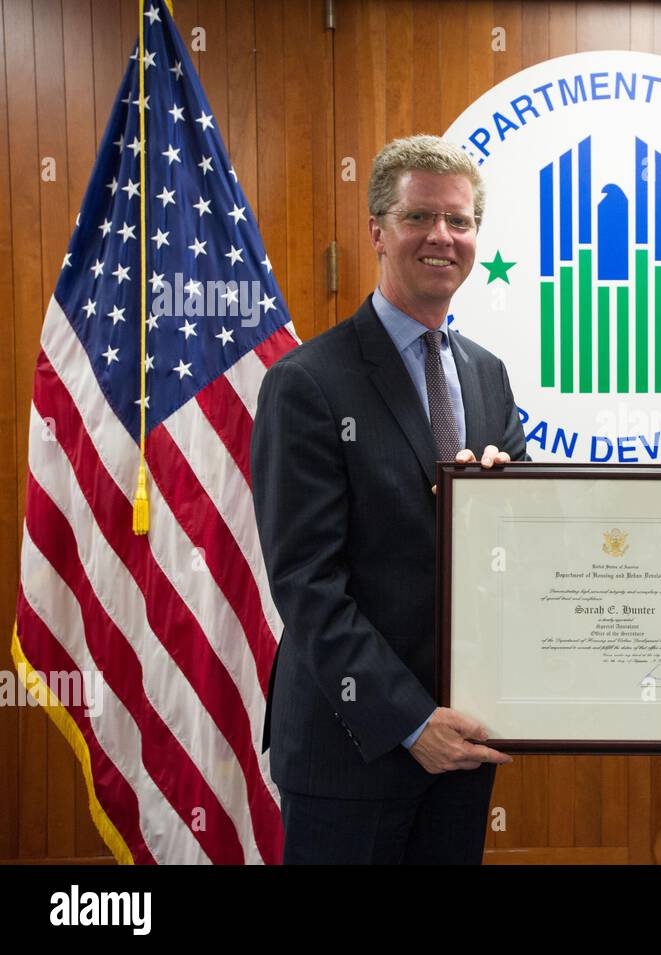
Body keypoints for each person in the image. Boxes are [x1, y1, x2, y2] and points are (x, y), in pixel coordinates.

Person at [251, 135, 524, 864]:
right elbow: (308, 584)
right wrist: (411, 721)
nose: (443, 237)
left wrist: (509, 504)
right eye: (419, 217)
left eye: (460, 222)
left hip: (464, 741)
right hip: (354, 750)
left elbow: (522, 553)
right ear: (377, 231)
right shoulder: (307, 382)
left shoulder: (488, 376)